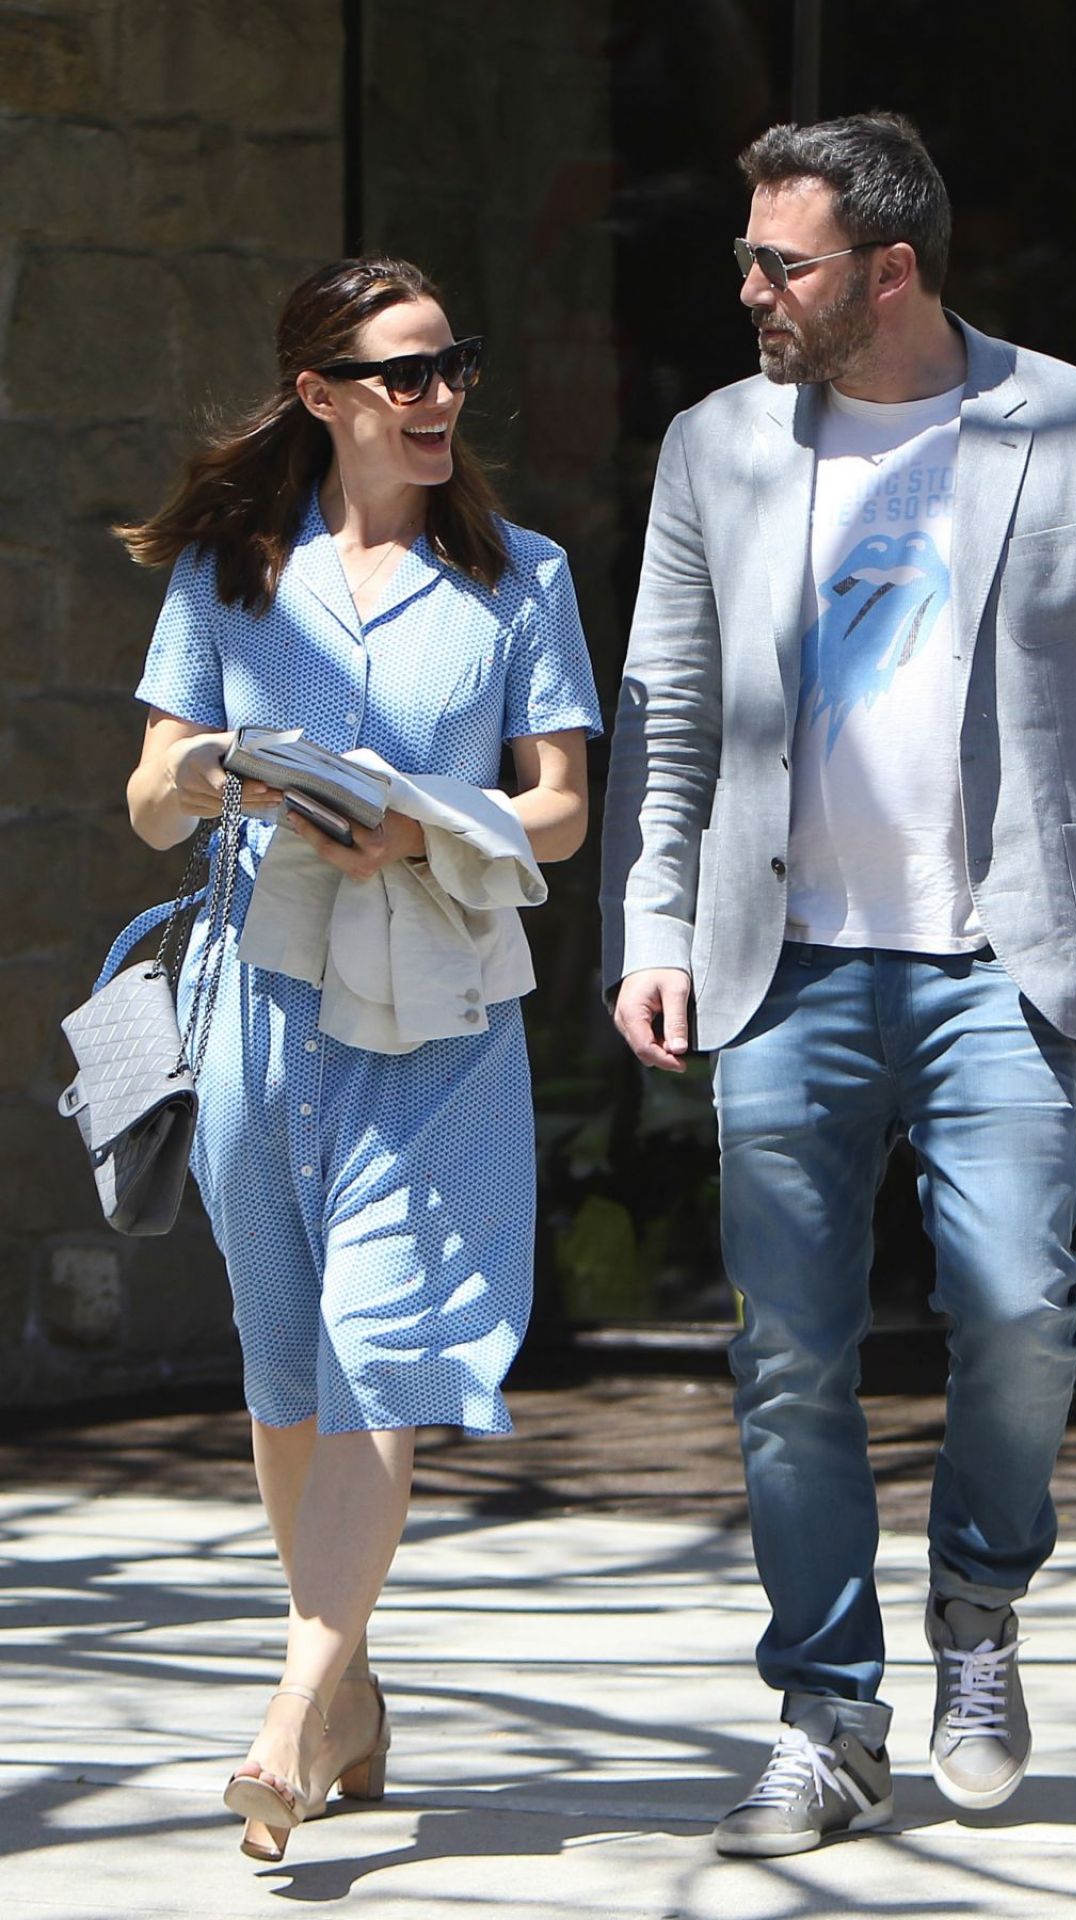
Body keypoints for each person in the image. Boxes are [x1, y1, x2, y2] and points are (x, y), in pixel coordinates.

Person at [601, 112, 1076, 1857]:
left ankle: (978, 1605)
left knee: (1024, 1316)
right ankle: (828, 1717)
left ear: (889, 270)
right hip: (781, 964)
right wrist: (651, 928)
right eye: (748, 255)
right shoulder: (716, 443)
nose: (749, 287)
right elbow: (666, 708)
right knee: (789, 1360)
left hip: (998, 961)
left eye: (779, 261)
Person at [118, 256, 601, 1859]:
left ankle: (286, 1718)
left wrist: (424, 821)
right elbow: (148, 798)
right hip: (259, 1007)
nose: (440, 396)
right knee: (285, 1367)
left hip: (435, 1013)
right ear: (321, 397)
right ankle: (352, 1691)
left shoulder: (521, 578)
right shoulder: (231, 575)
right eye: (405, 374)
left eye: (453, 364)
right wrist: (222, 771)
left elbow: (560, 808)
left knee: (382, 1348)